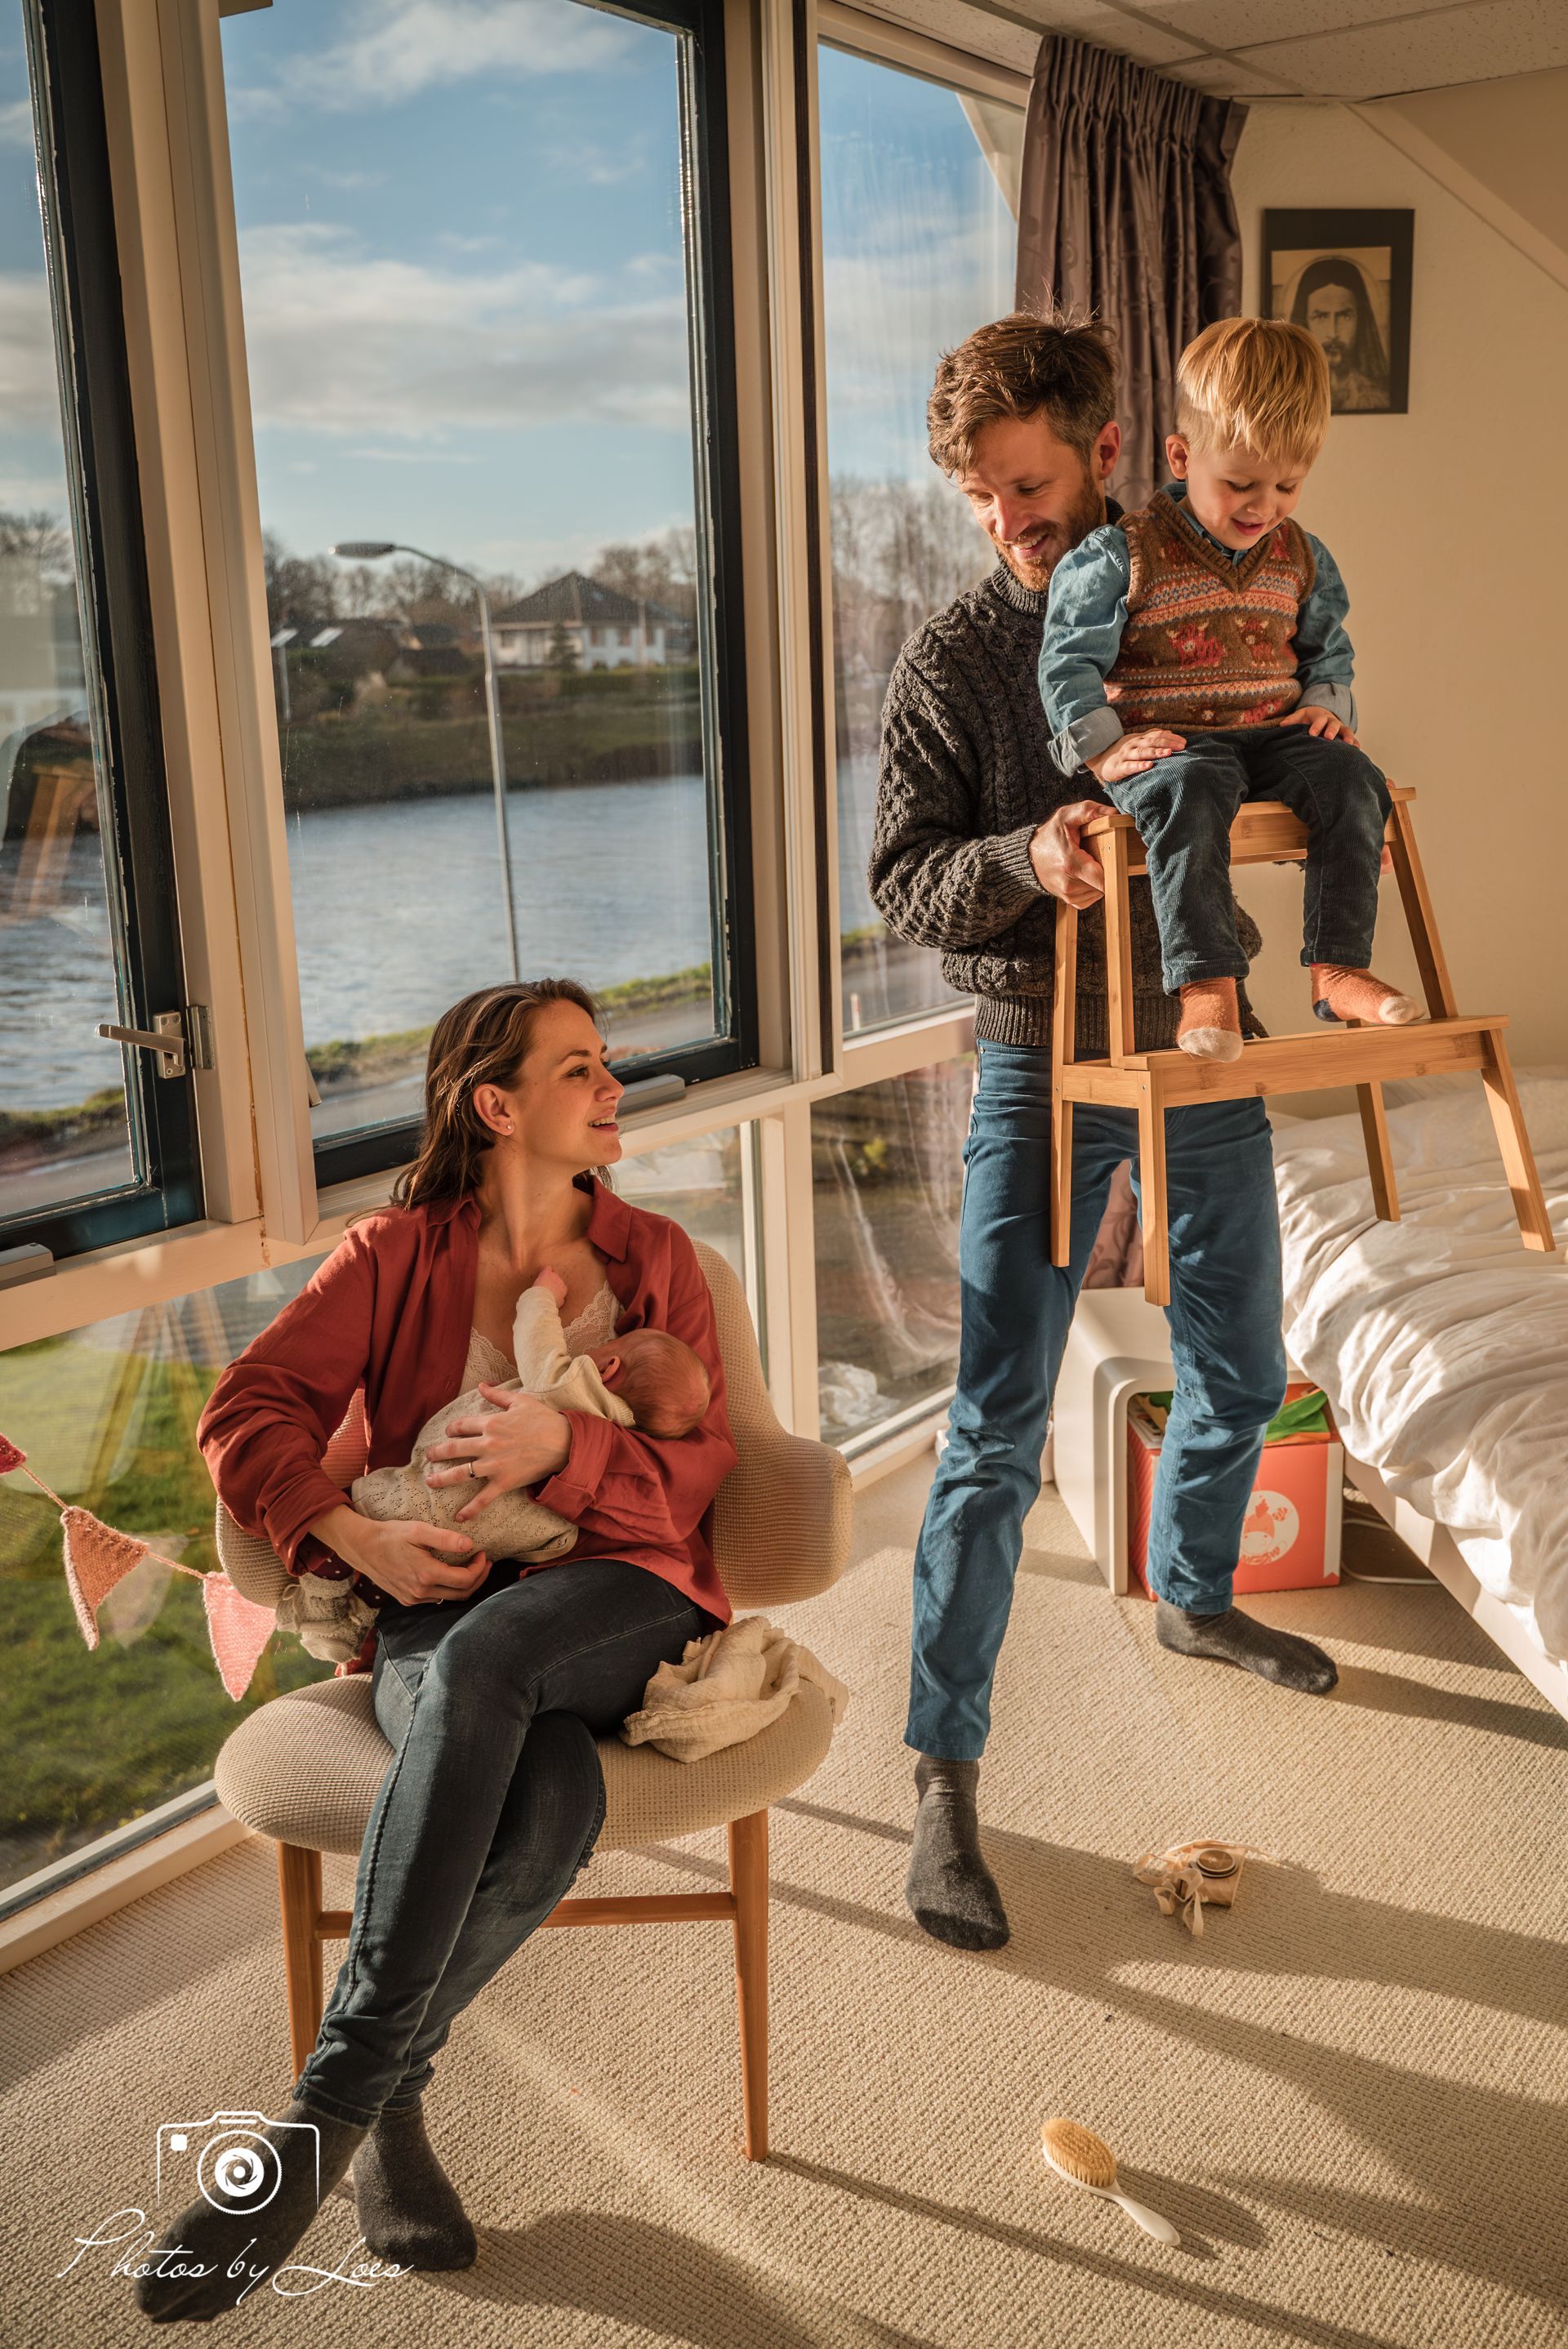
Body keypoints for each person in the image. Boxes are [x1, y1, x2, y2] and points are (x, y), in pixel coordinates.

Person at [135, 978, 737, 2325]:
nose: (612, 1087)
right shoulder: (392, 1258)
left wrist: (563, 1448)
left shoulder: (659, 1262)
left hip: (623, 1587)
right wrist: (351, 1527)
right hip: (439, 1606)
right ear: (498, 1105)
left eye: (606, 1064)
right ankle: (394, 2101)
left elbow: (695, 1481)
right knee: (551, 1806)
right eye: (580, 1068)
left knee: (485, 1668)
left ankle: (314, 2123)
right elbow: (251, 1408)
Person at [869, 308, 1339, 1963]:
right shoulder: (952, 659)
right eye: (985, 498)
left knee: (1244, 1351)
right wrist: (1028, 857)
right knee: (995, 1421)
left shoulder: (1204, 569)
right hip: (1035, 1056)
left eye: (1031, 482)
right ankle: (943, 1772)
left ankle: (1198, 1596)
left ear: (1108, 453)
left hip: (1205, 1044)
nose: (1011, 518)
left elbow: (1280, 741)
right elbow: (905, 877)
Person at [1040, 314, 1417, 1063]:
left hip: (1273, 734)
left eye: (1287, 484)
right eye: (1240, 483)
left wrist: (1324, 705)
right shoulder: (1123, 554)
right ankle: (1205, 983)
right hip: (1173, 747)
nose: (1263, 505)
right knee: (1194, 785)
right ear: (1182, 456)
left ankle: (1337, 965)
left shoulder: (1302, 555)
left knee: (1353, 777)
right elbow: (1066, 660)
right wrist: (1104, 751)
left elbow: (1326, 651)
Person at [351, 1264, 711, 1557]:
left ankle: (328, 1586)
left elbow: (537, 1343)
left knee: (369, 1509)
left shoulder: (572, 1386)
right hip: (484, 1542)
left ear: (609, 1367)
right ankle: (343, 1610)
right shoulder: (629, 1434)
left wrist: (541, 1297)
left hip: (439, 1490)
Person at [1289, 253, 1389, 412]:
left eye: (1344, 316)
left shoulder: (1377, 397)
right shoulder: (1286, 402)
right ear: (1304, 321)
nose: (1333, 333)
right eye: (1321, 317)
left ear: (1360, 321)